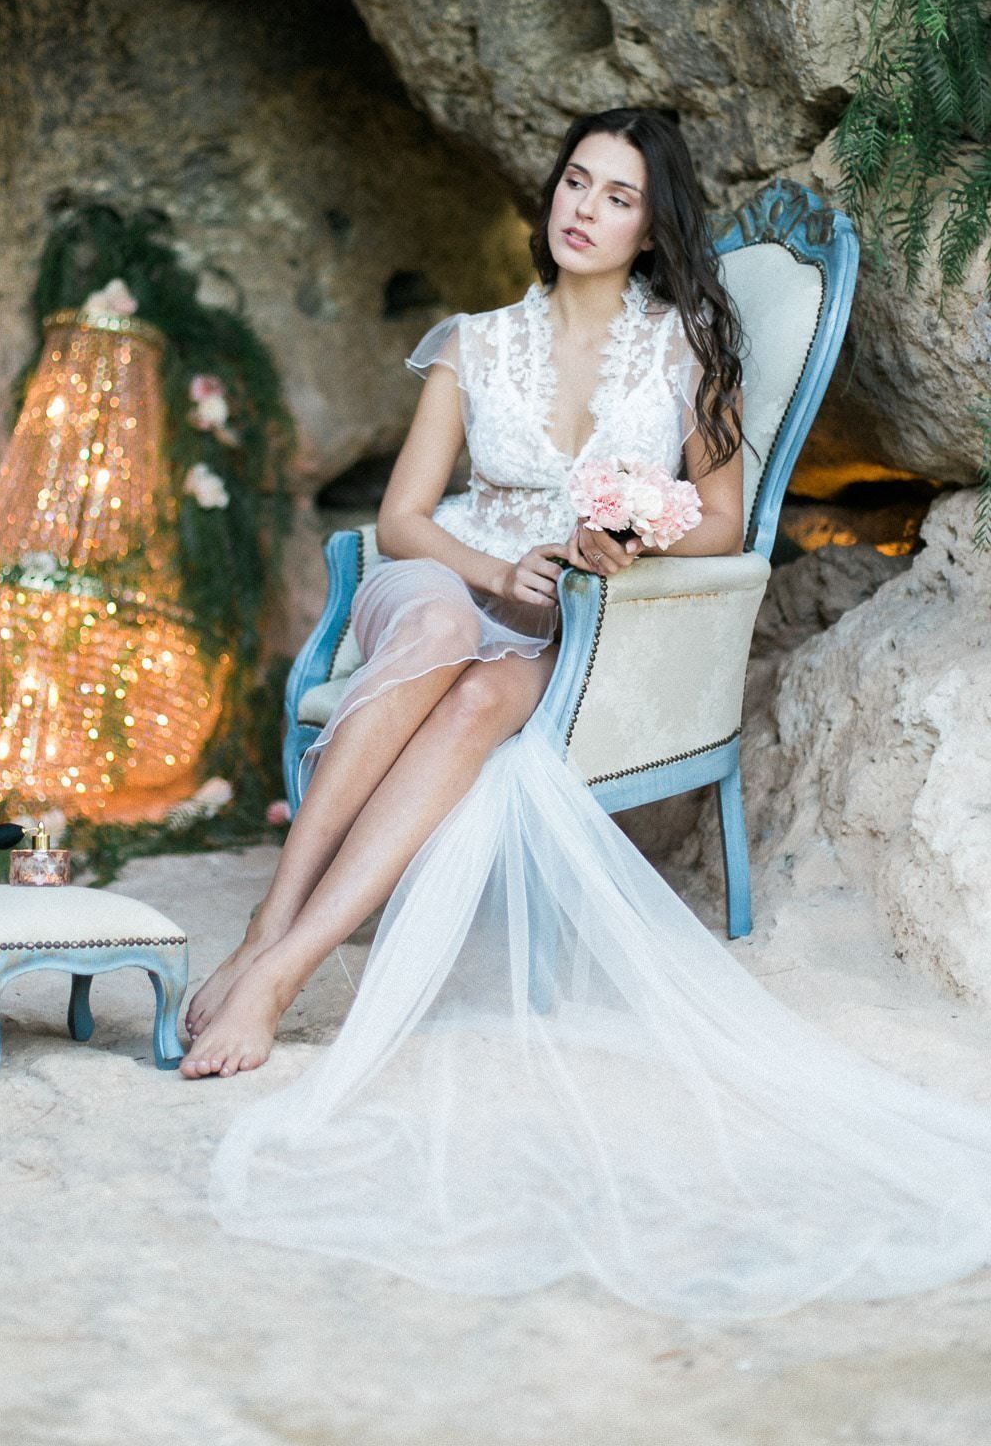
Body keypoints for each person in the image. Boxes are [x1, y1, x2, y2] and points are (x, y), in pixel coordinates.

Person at [184, 108, 991, 1321]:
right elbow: (402, 518)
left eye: (619, 196)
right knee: (443, 638)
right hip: (444, 580)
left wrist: (631, 536)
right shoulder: (475, 341)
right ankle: (269, 925)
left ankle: (284, 970)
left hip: (568, 621)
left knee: (485, 695)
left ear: (650, 228)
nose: (585, 208)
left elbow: (725, 522)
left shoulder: (688, 351)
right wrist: (488, 570)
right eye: (576, 182)